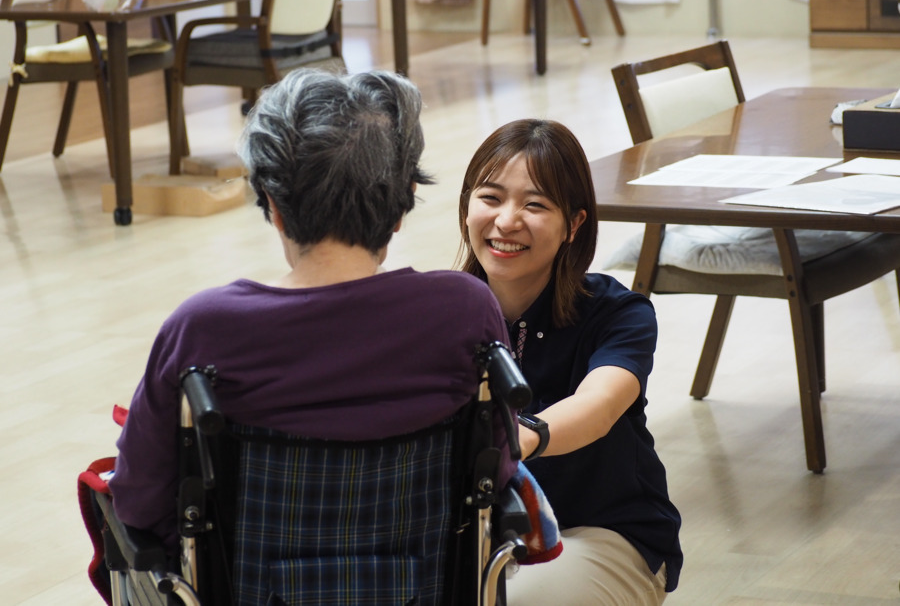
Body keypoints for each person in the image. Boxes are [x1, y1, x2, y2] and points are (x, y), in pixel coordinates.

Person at [109, 68, 515, 552]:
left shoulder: (204, 328)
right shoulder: (463, 309)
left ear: (274, 206)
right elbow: (499, 467)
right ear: (403, 204)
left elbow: (139, 500)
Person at [458, 118, 683, 604]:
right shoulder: (439, 311)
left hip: (602, 530)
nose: (507, 221)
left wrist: (516, 438)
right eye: (491, 198)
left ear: (574, 224)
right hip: (474, 532)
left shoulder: (618, 313)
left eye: (535, 205)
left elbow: (599, 406)